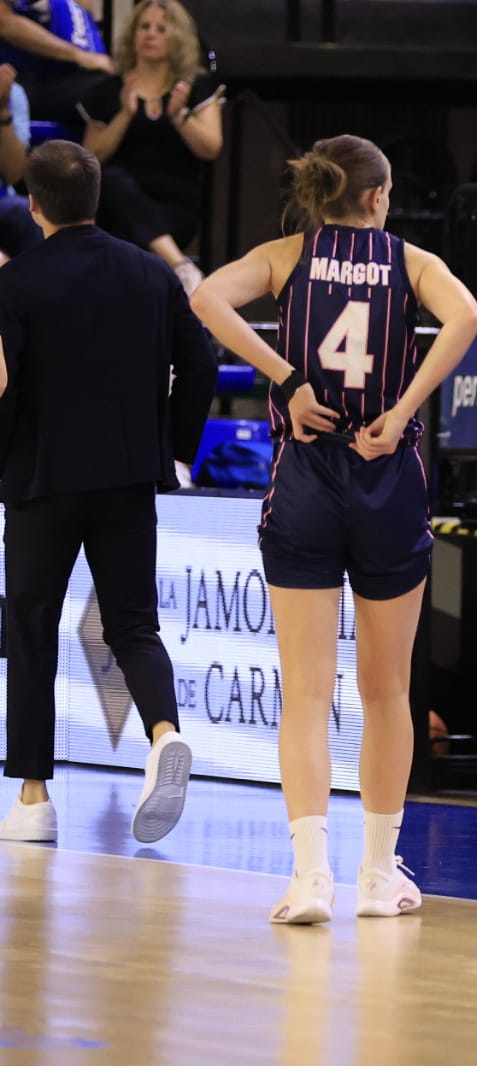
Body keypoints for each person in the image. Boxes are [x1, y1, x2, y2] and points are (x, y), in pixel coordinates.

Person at [190, 134, 477, 924]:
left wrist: (284, 380)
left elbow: (206, 296)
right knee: (386, 690)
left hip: (308, 477)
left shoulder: (288, 255)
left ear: (320, 195)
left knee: (307, 694)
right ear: (380, 197)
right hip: (385, 474)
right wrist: (403, 409)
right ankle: (378, 874)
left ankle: (309, 876)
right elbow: (468, 315)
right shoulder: (409, 262)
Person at [0, 140, 216, 845]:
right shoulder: (151, 274)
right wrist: (177, 448)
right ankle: (161, 734)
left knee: (32, 629)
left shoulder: (18, 282)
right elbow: (203, 355)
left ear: (33, 206)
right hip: (128, 477)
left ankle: (33, 800)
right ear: (97, 199)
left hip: (40, 480)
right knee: (132, 623)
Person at [82, 0, 222, 293]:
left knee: (124, 240)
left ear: (179, 38)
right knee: (111, 179)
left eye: (161, 28)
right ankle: (181, 268)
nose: (150, 34)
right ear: (132, 34)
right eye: (144, 26)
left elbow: (211, 148)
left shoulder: (194, 88)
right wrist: (124, 114)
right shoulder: (110, 90)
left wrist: (179, 116)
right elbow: (91, 158)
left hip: (174, 207)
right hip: (116, 202)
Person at [0, 1, 112, 126]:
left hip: (61, 75)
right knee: (105, 93)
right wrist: (81, 56)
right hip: (15, 78)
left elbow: (83, 11)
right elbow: (4, 23)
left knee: (112, 87)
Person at [0, 61, 42, 262]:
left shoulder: (11, 92)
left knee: (27, 212)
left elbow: (16, 175)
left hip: (4, 205)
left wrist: (1, 112)